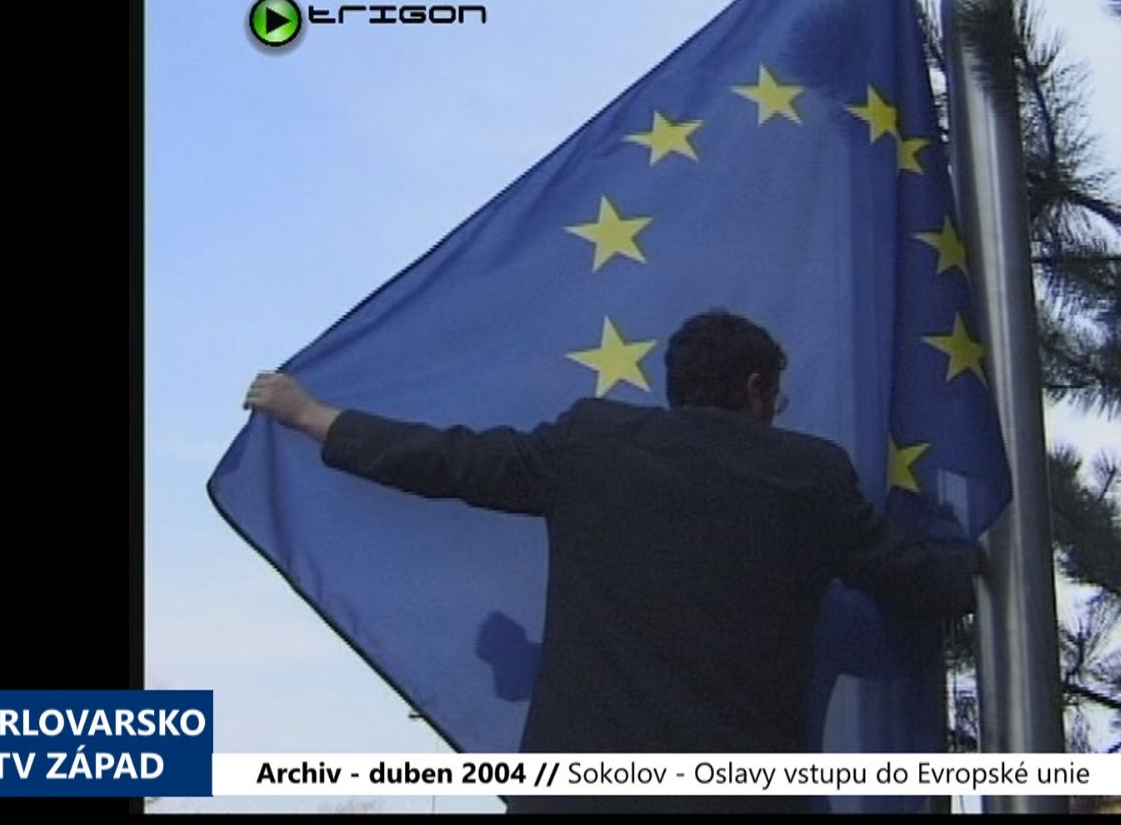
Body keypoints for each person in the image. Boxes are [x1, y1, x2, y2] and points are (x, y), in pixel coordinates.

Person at [244, 309, 983, 814]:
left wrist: (310, 414)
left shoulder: (591, 443)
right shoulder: (809, 474)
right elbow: (916, 580)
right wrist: (977, 544)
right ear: (756, 389)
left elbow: (448, 461)